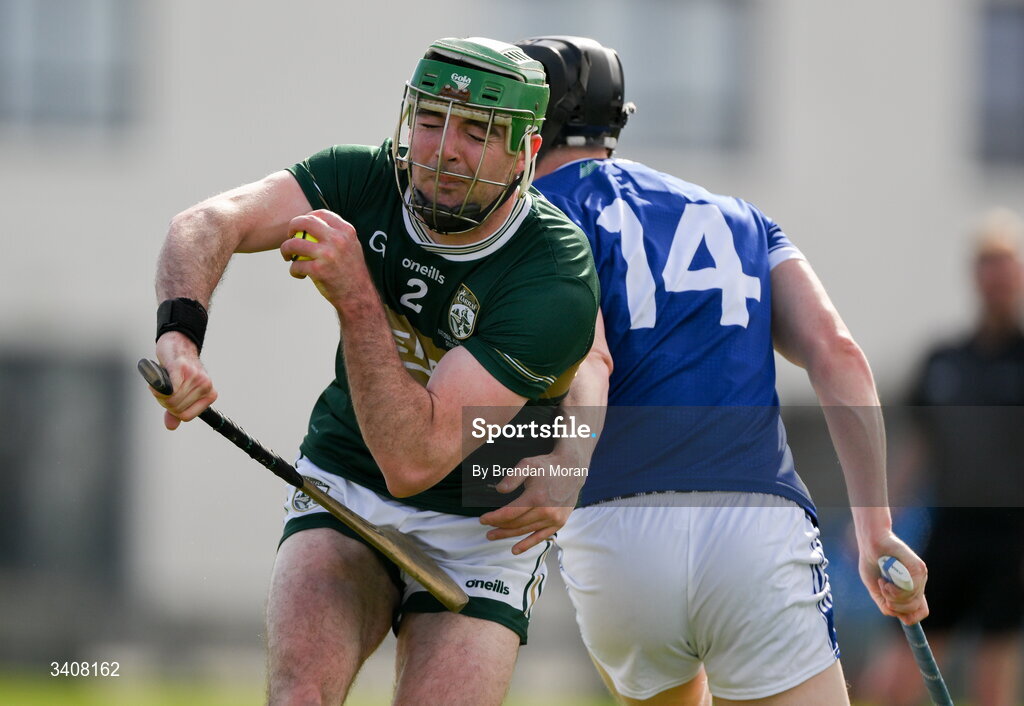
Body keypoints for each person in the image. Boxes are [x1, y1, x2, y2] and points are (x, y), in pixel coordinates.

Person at [148, 36, 599, 705]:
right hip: (347, 482)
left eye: (477, 131)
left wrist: (357, 296)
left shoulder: (554, 271)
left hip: (479, 522)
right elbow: (208, 221)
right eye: (429, 119)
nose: (444, 149)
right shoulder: (362, 177)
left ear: (527, 152)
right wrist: (180, 338)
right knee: (299, 696)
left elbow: (414, 462)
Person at [491, 36, 929, 705]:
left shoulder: (521, 221)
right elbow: (836, 353)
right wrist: (874, 529)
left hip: (614, 533)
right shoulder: (741, 218)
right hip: (755, 525)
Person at [860, 209, 1024, 706]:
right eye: (986, 263)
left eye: (1005, 263)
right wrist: (876, 518)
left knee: (991, 681)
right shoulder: (944, 359)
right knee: (896, 675)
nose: (995, 275)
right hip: (948, 531)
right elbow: (921, 443)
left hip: (1010, 538)